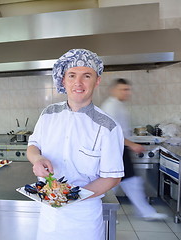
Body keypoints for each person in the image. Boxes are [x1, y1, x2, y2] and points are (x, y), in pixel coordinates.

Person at [27, 49, 125, 240]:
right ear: (64, 80)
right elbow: (33, 146)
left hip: (84, 218)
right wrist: (37, 159)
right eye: (72, 75)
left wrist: (72, 196)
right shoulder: (49, 114)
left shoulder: (108, 126)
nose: (78, 83)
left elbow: (112, 177)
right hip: (48, 214)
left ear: (97, 81)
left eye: (86, 76)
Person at [101, 78, 167, 221]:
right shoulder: (111, 106)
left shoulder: (118, 105)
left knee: (128, 182)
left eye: (128, 89)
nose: (127, 93)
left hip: (120, 149)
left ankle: (143, 211)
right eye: (123, 89)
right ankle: (105, 213)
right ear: (114, 90)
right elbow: (112, 133)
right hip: (115, 150)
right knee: (117, 182)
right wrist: (132, 144)